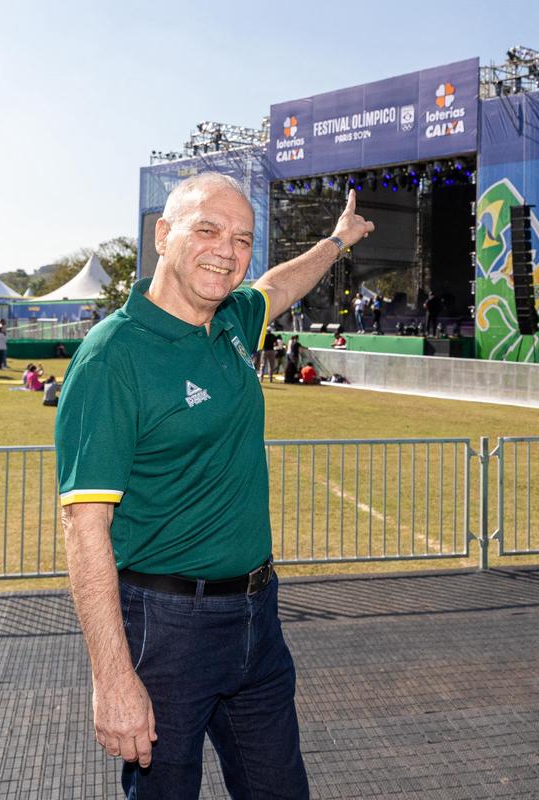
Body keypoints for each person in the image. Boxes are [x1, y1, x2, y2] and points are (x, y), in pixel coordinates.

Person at [55, 172, 372, 797]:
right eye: (208, 230)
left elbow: (280, 284)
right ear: (163, 235)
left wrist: (337, 241)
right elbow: (84, 524)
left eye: (242, 238)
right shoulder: (113, 356)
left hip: (258, 616)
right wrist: (112, 676)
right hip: (167, 628)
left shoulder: (228, 318)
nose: (227, 249)